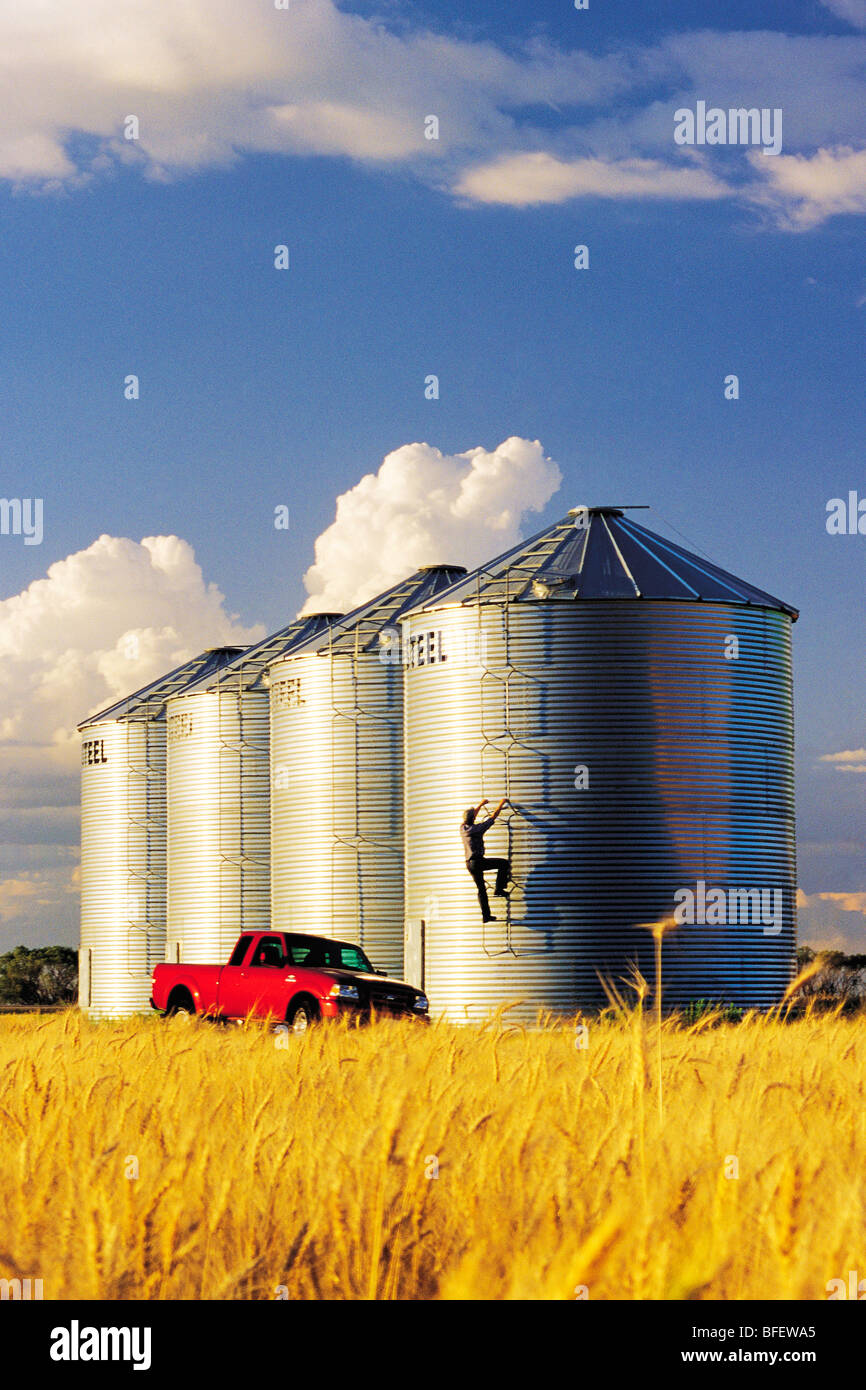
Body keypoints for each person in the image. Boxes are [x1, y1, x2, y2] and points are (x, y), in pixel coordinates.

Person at [460, 798, 511, 923]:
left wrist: (480, 805)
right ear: (473, 819)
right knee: (503, 863)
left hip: (469, 864)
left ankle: (486, 916)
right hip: (478, 862)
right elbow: (493, 817)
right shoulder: (478, 829)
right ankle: (499, 889)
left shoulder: (463, 828)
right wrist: (501, 803)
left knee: (481, 889)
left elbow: (472, 816)